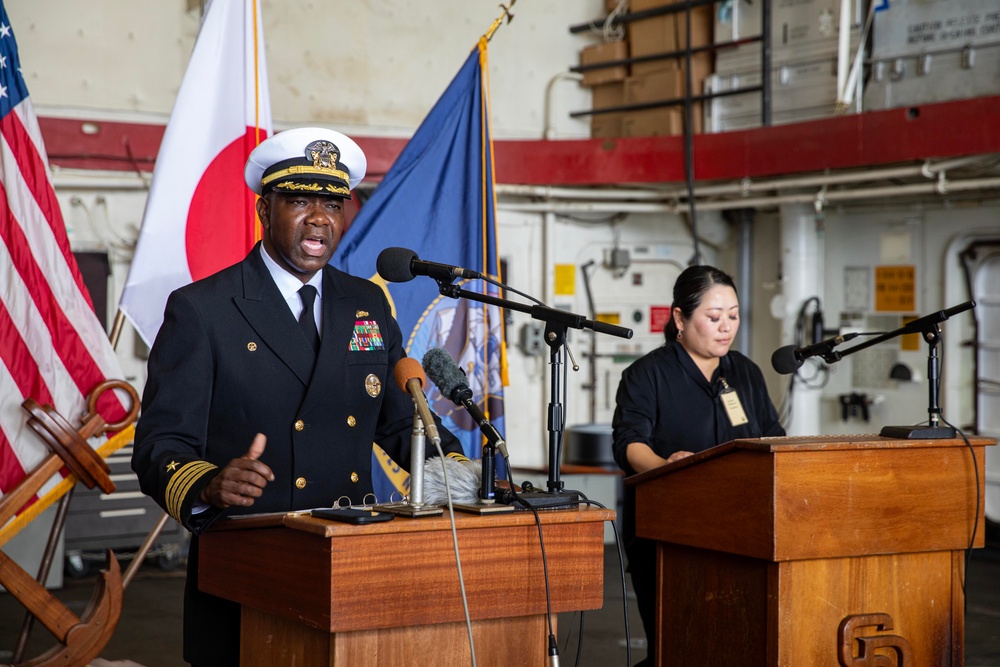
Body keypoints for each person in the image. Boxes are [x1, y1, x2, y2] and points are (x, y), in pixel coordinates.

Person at [131, 127, 464, 667]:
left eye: (333, 203)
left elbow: (401, 423)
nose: (319, 217)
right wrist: (209, 483)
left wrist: (461, 472)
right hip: (250, 567)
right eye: (300, 200)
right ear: (264, 210)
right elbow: (160, 445)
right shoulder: (203, 309)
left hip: (352, 558)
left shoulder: (367, 304)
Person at [611, 265, 785, 665]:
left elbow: (772, 436)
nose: (726, 327)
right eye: (713, 317)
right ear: (679, 319)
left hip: (742, 530)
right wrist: (665, 467)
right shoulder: (648, 375)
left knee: (736, 642)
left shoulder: (745, 372)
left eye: (734, 315)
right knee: (678, 644)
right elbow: (629, 442)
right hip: (668, 532)